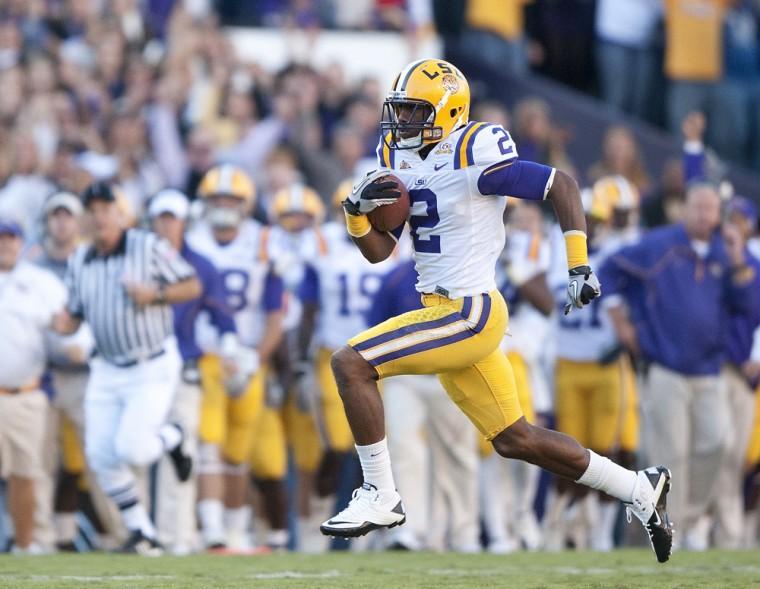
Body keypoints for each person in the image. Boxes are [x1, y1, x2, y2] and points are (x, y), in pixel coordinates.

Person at [319, 58, 673, 564]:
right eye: (399, 110)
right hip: (443, 308)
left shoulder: (473, 148)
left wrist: (578, 265)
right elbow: (381, 251)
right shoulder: (398, 154)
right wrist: (355, 214)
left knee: (350, 363)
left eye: (415, 112)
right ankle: (640, 489)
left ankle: (380, 493)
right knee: (516, 439)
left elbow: (562, 187)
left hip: (469, 312)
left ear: (448, 111)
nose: (402, 122)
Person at [599, 182, 760, 549]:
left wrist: (737, 260)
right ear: (684, 209)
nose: (705, 215)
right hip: (666, 365)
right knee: (670, 454)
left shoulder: (726, 251)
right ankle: (673, 530)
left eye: (710, 209)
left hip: (709, 369)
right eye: (698, 208)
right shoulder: (659, 244)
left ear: (719, 214)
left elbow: (749, 304)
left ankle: (685, 518)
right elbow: (609, 269)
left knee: (717, 443)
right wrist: (621, 322)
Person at [51, 181, 200, 555]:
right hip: (106, 368)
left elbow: (192, 284)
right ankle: (142, 533)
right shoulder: (79, 260)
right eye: (93, 209)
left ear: (120, 213)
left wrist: (156, 295)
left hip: (149, 361)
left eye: (106, 208)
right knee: (101, 456)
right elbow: (74, 315)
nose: (99, 216)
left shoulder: (147, 246)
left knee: (133, 449)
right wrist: (62, 324)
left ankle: (174, 438)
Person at [186, 165, 285, 552]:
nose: (223, 207)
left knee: (238, 450)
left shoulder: (264, 242)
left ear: (245, 205)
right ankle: (212, 531)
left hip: (248, 356)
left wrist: (257, 359)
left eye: (230, 200)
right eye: (216, 200)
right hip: (207, 354)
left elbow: (276, 313)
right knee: (208, 443)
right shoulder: (192, 242)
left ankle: (235, 530)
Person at [148, 188, 238, 554]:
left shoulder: (200, 264)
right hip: (138, 367)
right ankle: (137, 532)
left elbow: (223, 318)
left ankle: (177, 537)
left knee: (180, 451)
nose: (168, 225)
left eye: (173, 218)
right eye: (162, 218)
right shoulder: (137, 257)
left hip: (182, 363)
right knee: (132, 452)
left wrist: (231, 350)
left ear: (184, 221)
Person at [369, 258, 480, 552]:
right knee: (404, 451)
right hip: (405, 376)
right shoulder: (396, 278)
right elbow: (374, 327)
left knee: (458, 455)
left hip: (452, 373)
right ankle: (409, 530)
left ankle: (464, 532)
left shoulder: (465, 273)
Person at [0, 218, 67, 554]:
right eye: (1, 238)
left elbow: (67, 322)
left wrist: (72, 340)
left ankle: (26, 544)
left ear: (21, 242)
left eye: (11, 238)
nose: (5, 245)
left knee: (26, 472)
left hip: (26, 390)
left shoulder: (40, 282)